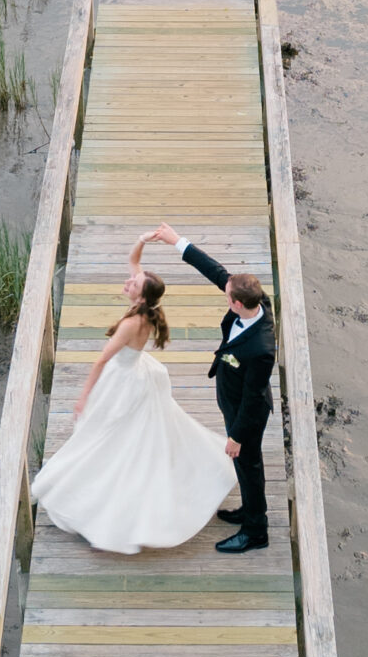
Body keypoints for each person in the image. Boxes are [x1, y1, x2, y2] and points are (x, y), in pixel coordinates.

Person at [29, 231, 236, 555]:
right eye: (132, 282)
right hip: (138, 372)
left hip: (124, 380)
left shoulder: (131, 324)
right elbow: (133, 260)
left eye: (133, 286)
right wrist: (142, 239)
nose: (128, 283)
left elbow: (101, 361)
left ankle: (108, 506)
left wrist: (84, 396)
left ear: (141, 299)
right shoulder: (147, 307)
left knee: (110, 437)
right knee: (123, 435)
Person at [145, 223, 274, 554]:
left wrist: (237, 437)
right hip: (231, 398)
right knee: (246, 466)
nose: (224, 290)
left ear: (236, 304)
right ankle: (250, 509)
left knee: (249, 463)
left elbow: (253, 396)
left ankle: (256, 530)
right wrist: (177, 242)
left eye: (227, 294)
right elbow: (217, 272)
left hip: (247, 413)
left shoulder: (261, 349)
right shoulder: (254, 301)